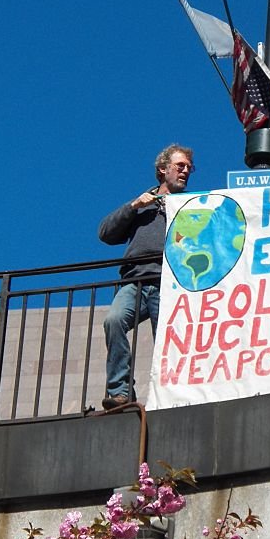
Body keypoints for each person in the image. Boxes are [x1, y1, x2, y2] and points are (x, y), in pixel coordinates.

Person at [99, 144, 194, 409]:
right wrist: (133, 206)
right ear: (163, 170)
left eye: (188, 167)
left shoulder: (190, 205)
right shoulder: (143, 203)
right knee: (114, 320)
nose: (186, 171)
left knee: (167, 340)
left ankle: (170, 394)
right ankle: (121, 391)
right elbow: (106, 233)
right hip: (135, 281)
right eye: (180, 166)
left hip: (169, 283)